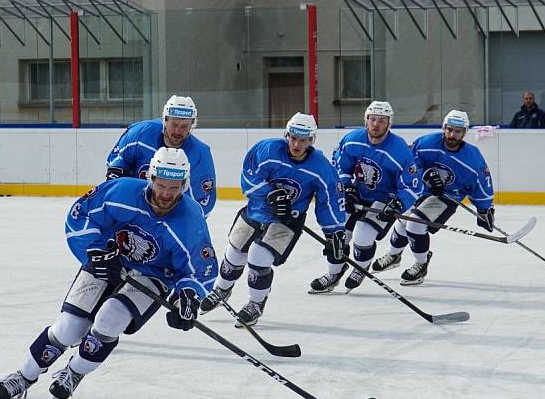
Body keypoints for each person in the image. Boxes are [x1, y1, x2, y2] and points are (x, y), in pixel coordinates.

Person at [0, 147, 218, 399]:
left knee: (110, 319)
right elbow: (79, 217)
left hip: (153, 275)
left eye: (174, 187)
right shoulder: (120, 191)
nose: (166, 194)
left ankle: (74, 372)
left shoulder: (190, 220)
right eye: (161, 185)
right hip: (108, 259)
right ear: (150, 178)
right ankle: (23, 376)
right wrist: (96, 251)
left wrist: (188, 295)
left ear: (185, 185)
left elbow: (200, 268)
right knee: (68, 329)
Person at [199, 112, 346, 324]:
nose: (296, 144)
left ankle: (256, 304)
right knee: (234, 253)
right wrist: (269, 194)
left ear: (312, 140)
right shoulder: (268, 149)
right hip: (257, 210)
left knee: (258, 257)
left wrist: (334, 233)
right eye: (293, 138)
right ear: (286, 135)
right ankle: (222, 290)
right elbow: (248, 176)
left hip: (287, 220)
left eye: (303, 140)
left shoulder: (320, 167)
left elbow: (330, 200)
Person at [371, 110, 495, 285]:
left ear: (465, 132)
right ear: (444, 127)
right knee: (403, 219)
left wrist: (485, 208)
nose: (452, 135)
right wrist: (424, 174)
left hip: (449, 196)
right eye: (449, 129)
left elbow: (481, 183)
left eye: (458, 131)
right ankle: (394, 255)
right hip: (422, 191)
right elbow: (409, 163)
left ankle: (421, 264)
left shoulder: (472, 157)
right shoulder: (426, 142)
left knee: (415, 223)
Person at [326, 100, 422, 291]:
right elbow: (339, 166)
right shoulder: (353, 139)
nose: (376, 124)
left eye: (382, 120)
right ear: (366, 120)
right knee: (338, 234)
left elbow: (412, 185)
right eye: (372, 119)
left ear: (389, 124)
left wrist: (397, 203)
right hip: (357, 194)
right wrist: (347, 189)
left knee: (362, 236)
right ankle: (333, 273)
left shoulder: (399, 149)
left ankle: (360, 267)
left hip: (384, 200)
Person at [105, 95, 217, 217]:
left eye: (184, 126)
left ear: (192, 125)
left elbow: (204, 202)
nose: (178, 131)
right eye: (174, 125)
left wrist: (180, 223)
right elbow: (117, 165)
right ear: (165, 120)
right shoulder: (140, 134)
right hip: (133, 205)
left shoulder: (200, 156)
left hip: (170, 215)